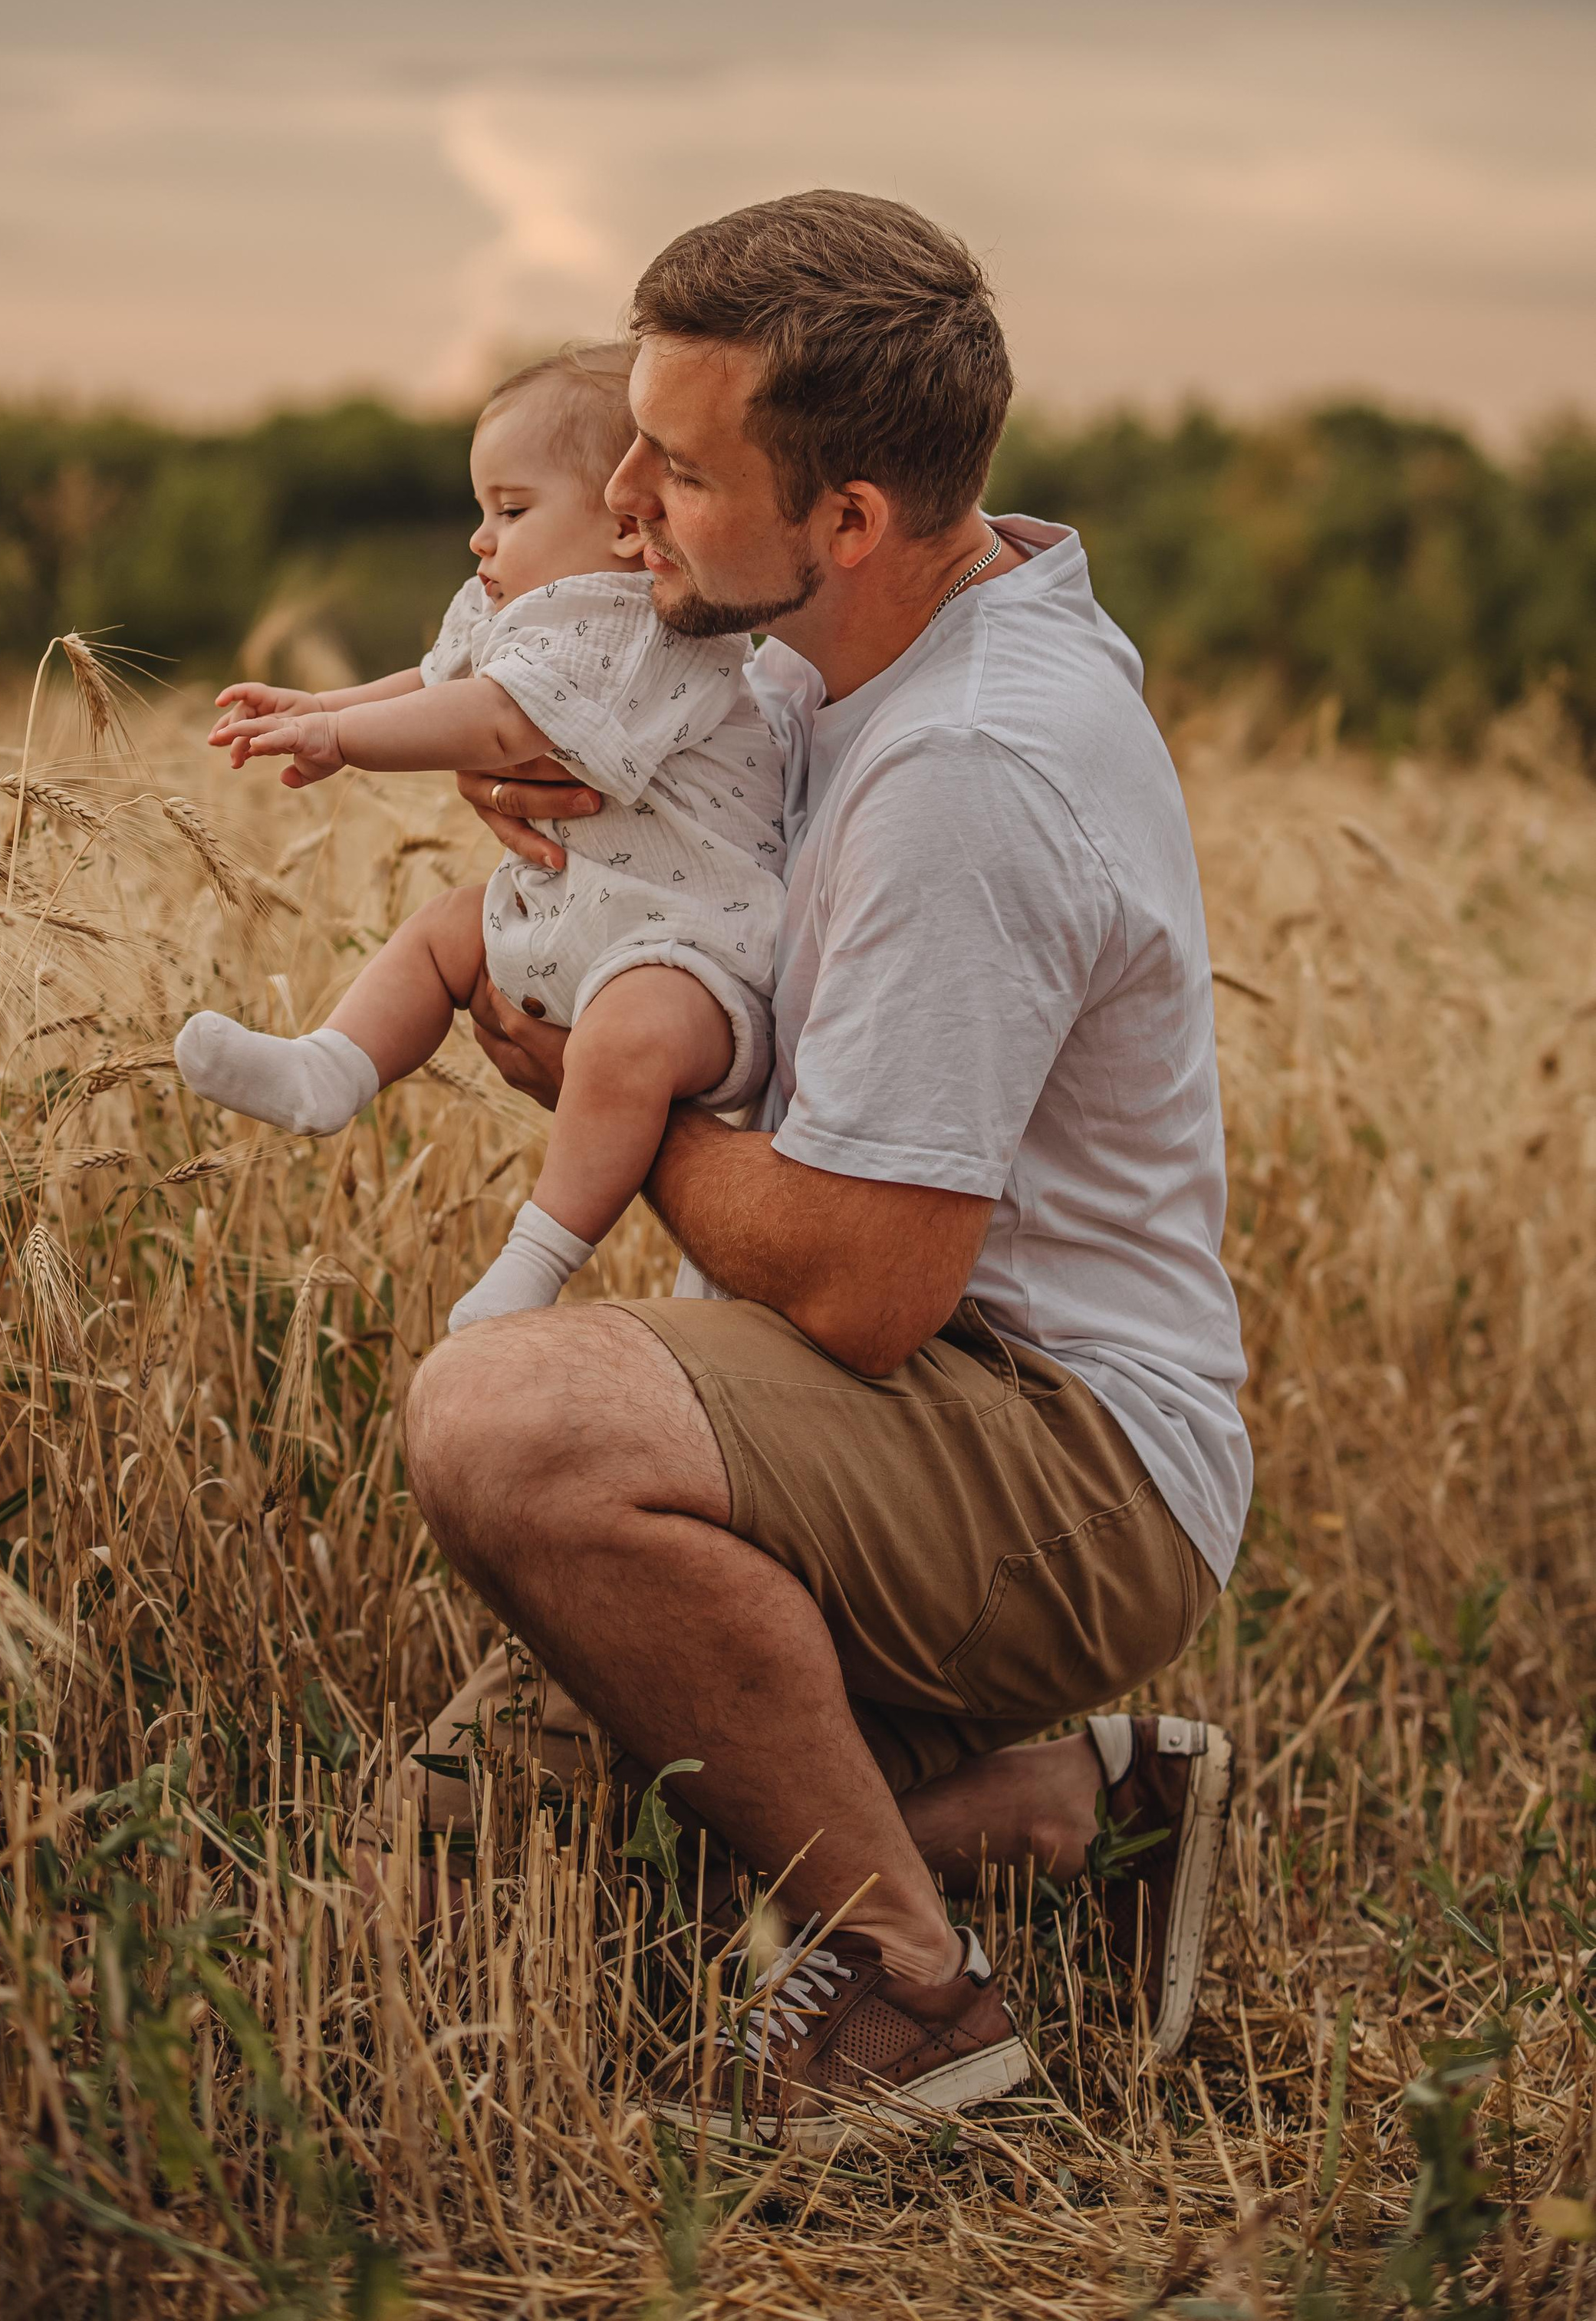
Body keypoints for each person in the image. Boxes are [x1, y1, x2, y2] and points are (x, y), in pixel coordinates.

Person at [394, 190, 1252, 2145]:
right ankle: (1069, 1811)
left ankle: (913, 1999)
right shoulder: (840, 621)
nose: (617, 494)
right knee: (457, 1861)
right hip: (911, 1400)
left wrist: (587, 1093)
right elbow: (633, 718)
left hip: (1056, 1450)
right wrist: (514, 743)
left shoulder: (967, 770)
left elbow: (869, 1289)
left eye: (675, 465)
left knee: (507, 1421)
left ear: (848, 514)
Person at [172, 345, 786, 1332]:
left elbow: (504, 724)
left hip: (692, 953)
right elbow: (439, 688)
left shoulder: (648, 627)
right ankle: (330, 1067)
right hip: (575, 910)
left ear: (628, 527)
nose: (479, 539)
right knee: (444, 929)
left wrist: (340, 739)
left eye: (511, 510)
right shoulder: (515, 605)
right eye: (481, 509)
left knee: (626, 1034)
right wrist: (326, 705)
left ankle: (534, 1263)